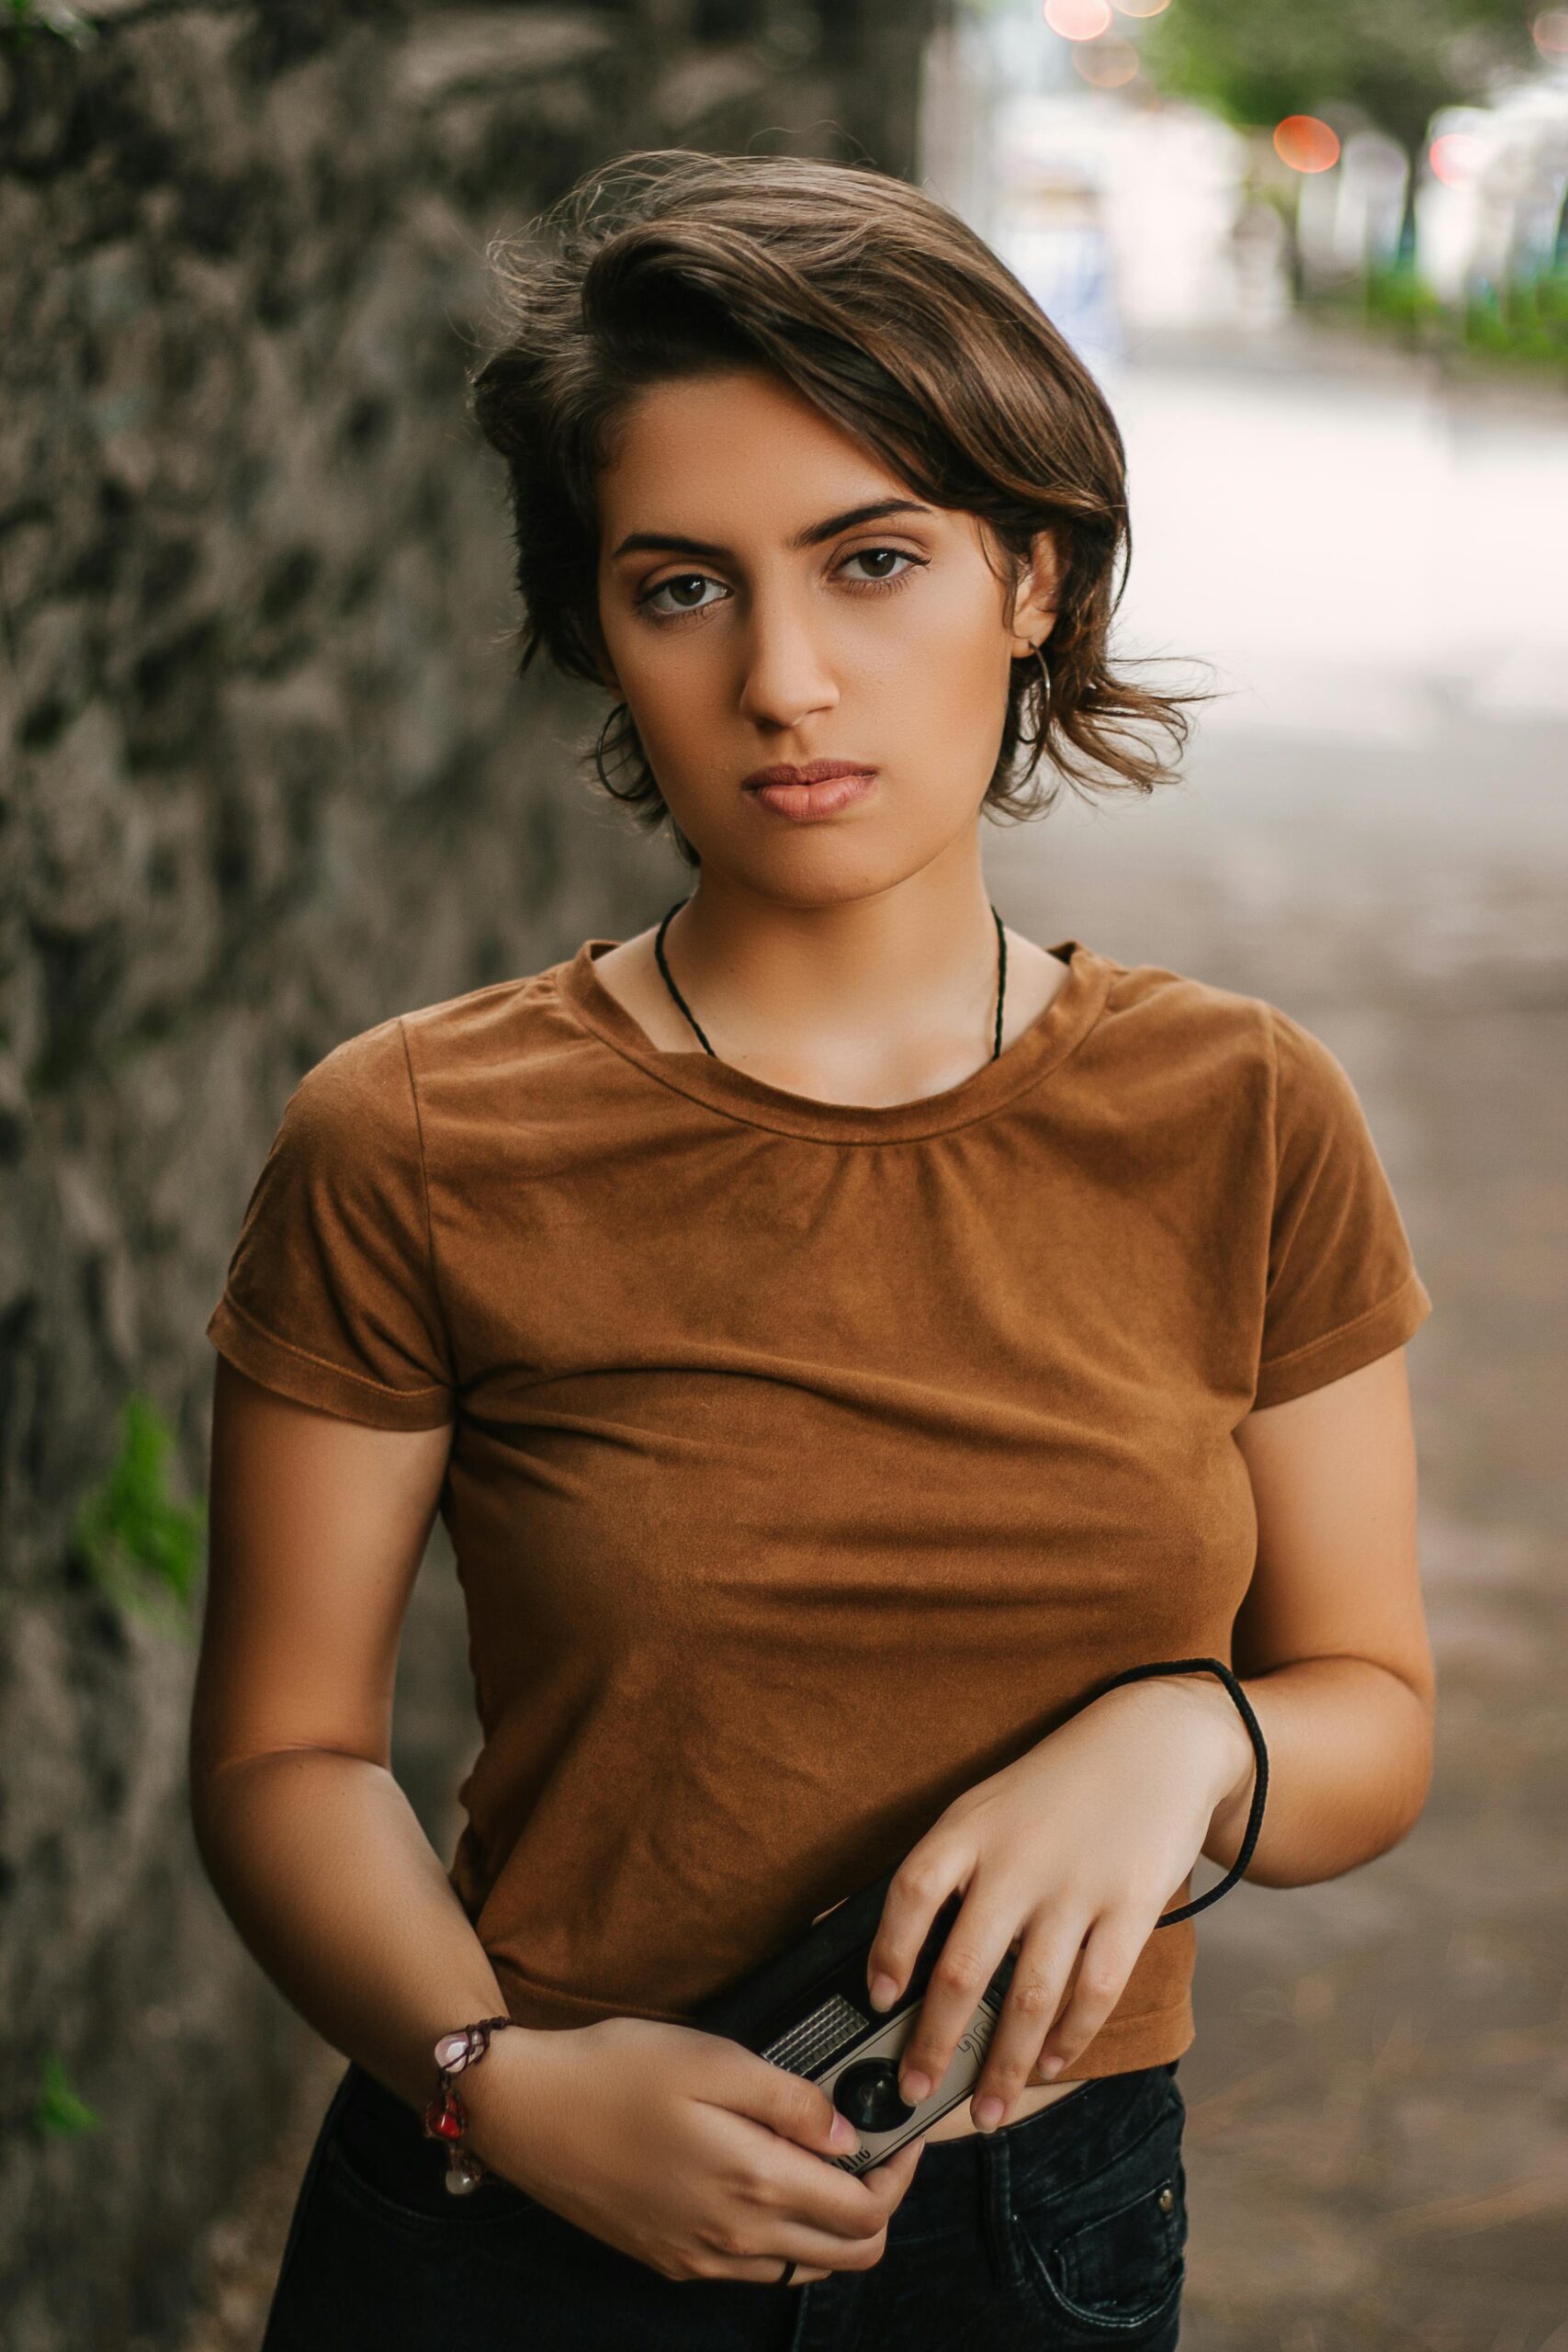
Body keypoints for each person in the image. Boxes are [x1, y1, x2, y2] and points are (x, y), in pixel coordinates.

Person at [189, 150, 1437, 2352]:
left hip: (1031, 2236)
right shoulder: (408, 1132)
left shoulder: (1242, 1114)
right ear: (598, 621)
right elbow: (286, 1755)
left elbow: (1365, 1712)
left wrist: (1180, 1744)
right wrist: (501, 2084)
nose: (783, 677)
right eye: (680, 587)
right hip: (516, 2215)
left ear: (1029, 579)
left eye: (872, 561)